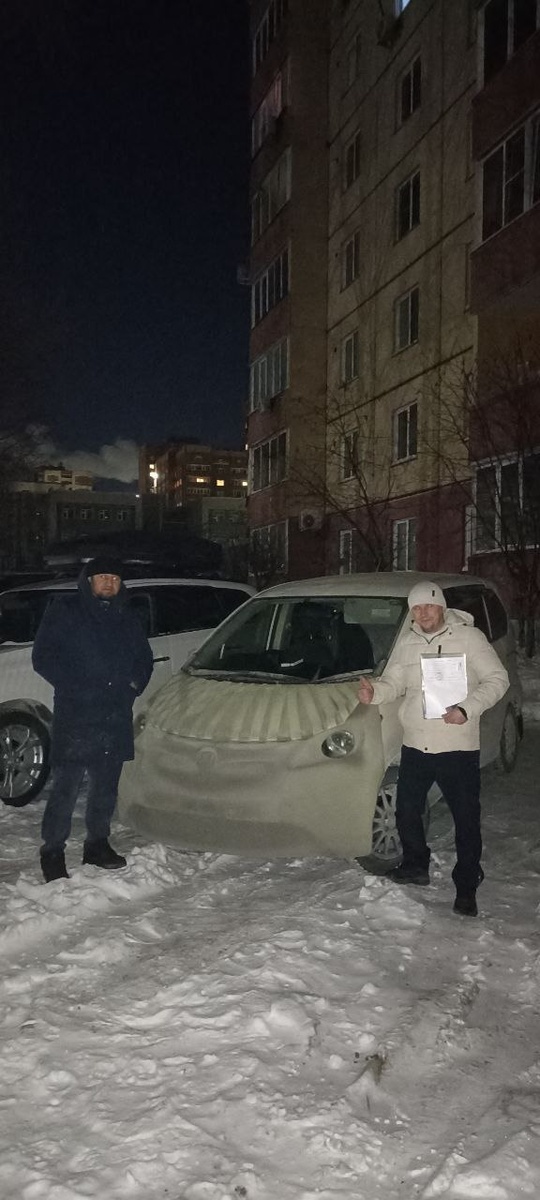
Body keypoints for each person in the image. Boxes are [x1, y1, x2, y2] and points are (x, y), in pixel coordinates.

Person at [358, 581, 509, 917]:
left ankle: (467, 887)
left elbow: (498, 680)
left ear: (441, 606)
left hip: (457, 746)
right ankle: (416, 865)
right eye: (416, 608)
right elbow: (395, 682)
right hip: (416, 745)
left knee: (465, 820)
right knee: (407, 811)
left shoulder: (469, 638)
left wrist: (467, 708)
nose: (423, 613)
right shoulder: (407, 642)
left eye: (428, 605)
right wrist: (375, 692)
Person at [32, 557, 153, 882]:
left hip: (114, 714)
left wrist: (133, 686)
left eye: (114, 577)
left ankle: (97, 845)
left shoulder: (127, 616)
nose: (109, 583)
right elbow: (43, 657)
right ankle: (52, 851)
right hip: (76, 713)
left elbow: (144, 658)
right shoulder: (65, 610)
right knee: (66, 788)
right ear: (88, 581)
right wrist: (75, 685)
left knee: (105, 788)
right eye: (102, 577)